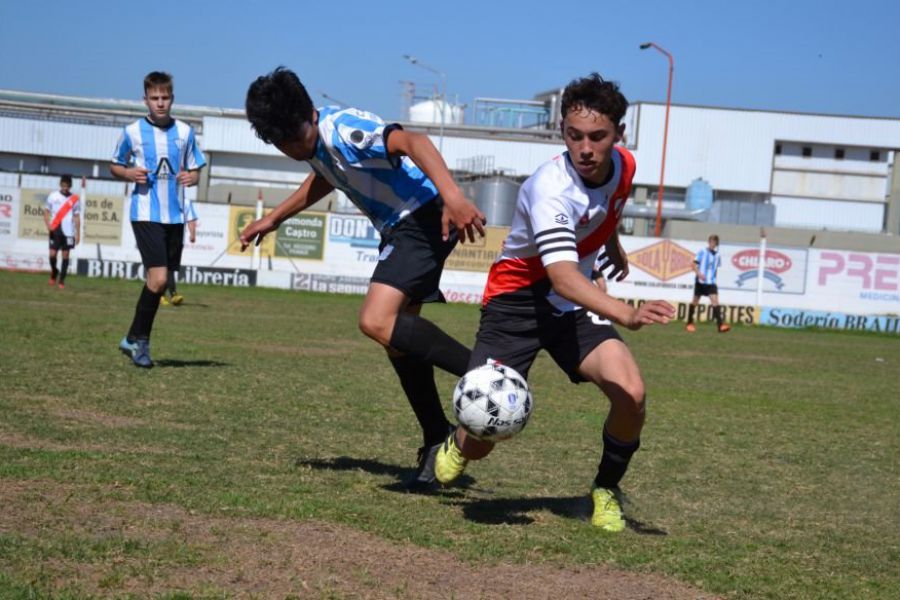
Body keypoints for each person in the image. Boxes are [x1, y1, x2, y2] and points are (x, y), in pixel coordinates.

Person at [433, 73, 675, 532]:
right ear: (562, 132)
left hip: (571, 307)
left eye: (597, 137)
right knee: (486, 436)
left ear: (619, 136)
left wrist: (611, 244)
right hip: (516, 304)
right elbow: (563, 278)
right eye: (573, 135)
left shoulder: (624, 165)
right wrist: (627, 312)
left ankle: (605, 489)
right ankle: (460, 443)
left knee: (632, 394)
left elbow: (607, 205)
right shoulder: (550, 189)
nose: (584, 148)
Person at [240, 67, 486, 490]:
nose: (288, 149)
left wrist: (454, 196)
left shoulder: (344, 130)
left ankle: (485, 374)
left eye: (287, 141)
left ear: (305, 120)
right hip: (402, 227)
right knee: (397, 342)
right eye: (281, 144)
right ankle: (436, 439)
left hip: (421, 218)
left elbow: (414, 141)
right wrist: (274, 217)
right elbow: (323, 178)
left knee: (376, 320)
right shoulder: (315, 143)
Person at [111, 71, 206, 367]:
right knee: (160, 277)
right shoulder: (132, 132)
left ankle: (131, 338)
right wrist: (127, 173)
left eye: (165, 97)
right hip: (145, 213)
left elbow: (196, 168)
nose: (160, 103)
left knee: (158, 281)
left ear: (172, 99)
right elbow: (115, 165)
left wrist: (193, 176)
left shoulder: (186, 133)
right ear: (145, 100)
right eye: (154, 98)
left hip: (175, 216)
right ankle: (141, 343)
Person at [686, 234, 731, 333]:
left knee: (715, 301)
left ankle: (720, 326)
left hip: (711, 283)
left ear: (716, 244)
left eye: (714, 242)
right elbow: (693, 264)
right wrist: (699, 274)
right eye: (711, 241)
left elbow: (715, 269)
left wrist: (714, 280)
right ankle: (689, 323)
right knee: (695, 302)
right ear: (709, 242)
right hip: (700, 282)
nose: (712, 244)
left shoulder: (718, 255)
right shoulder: (702, 251)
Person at [43, 174, 81, 289]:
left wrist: (77, 233)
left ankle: (61, 280)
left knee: (65, 255)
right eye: (63, 185)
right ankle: (54, 271)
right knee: (52, 254)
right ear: (60, 185)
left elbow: (77, 216)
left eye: (67, 186)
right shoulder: (53, 196)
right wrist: (48, 225)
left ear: (70, 186)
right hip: (55, 228)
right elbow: (46, 212)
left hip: (69, 231)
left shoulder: (75, 199)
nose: (65, 188)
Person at [160, 199, 198, 306]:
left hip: (177, 237)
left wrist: (192, 234)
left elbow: (190, 218)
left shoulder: (186, 201)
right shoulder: (161, 196)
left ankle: (162, 295)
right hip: (162, 234)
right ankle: (172, 295)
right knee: (165, 266)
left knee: (170, 267)